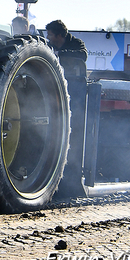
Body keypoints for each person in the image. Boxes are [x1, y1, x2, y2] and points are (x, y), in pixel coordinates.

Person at [46, 19, 88, 198]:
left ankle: (74, 179)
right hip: (57, 90)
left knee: (76, 134)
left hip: (76, 90)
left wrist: (61, 52)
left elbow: (83, 55)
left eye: (51, 35)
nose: (49, 38)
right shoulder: (49, 45)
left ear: (59, 35)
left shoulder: (76, 43)